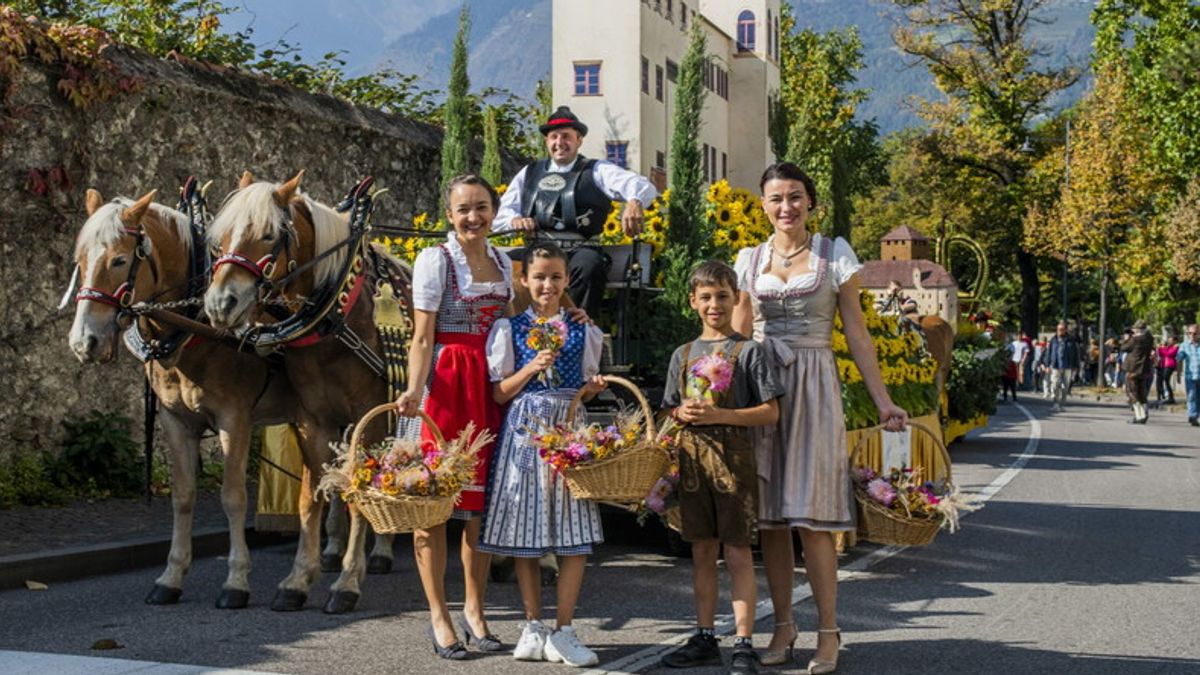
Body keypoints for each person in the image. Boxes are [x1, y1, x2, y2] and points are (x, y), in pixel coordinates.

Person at [732, 163, 909, 675]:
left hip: (814, 384)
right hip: (765, 386)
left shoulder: (834, 255)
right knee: (771, 518)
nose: (785, 207)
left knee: (811, 518)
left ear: (811, 202)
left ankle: (828, 630)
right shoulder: (750, 259)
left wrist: (883, 400)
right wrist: (715, 394)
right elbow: (740, 335)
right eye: (775, 199)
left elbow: (856, 332)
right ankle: (783, 626)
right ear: (763, 205)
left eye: (795, 197)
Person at [395, 175, 513, 660]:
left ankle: (475, 610)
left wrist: (573, 315)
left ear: (494, 210)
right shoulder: (436, 261)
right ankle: (439, 616)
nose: (473, 217)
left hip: (488, 386)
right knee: (433, 508)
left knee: (478, 511)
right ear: (449, 214)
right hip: (446, 384)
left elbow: (519, 318)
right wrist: (412, 390)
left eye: (481, 207)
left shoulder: (504, 260)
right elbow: (422, 337)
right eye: (463, 209)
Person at [478, 242, 608, 667]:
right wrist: (531, 368)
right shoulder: (509, 329)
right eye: (539, 277)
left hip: (569, 425)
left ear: (567, 279)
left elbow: (586, 382)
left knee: (573, 533)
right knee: (525, 532)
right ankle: (533, 624)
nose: (547, 285)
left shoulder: (584, 329)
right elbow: (498, 393)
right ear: (524, 280)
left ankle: (564, 629)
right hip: (526, 428)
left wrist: (593, 388)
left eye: (555, 277)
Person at [658, 261, 783, 675]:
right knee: (701, 551)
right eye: (706, 297)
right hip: (693, 463)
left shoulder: (749, 352)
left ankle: (744, 641)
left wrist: (719, 417)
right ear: (693, 301)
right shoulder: (683, 354)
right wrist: (682, 413)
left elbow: (769, 413)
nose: (715, 304)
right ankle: (705, 635)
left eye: (723, 296)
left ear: (736, 300)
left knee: (738, 551)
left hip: (734, 463)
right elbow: (668, 411)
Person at [494, 106, 659, 316]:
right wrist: (514, 221)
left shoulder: (597, 170)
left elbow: (643, 185)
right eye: (553, 137)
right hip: (537, 251)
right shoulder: (530, 172)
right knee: (501, 266)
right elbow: (501, 214)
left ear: (579, 140)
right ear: (546, 141)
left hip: (580, 251)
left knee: (589, 268)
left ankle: (578, 332)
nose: (559, 143)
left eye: (566, 136)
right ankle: (520, 330)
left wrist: (634, 201)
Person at [1040, 321, 1080, 412]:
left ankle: (1062, 404)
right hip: (1056, 365)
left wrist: (1076, 366)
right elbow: (1049, 353)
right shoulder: (1053, 340)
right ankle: (1055, 403)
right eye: (1058, 329)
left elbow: (1075, 354)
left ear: (1065, 330)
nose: (1059, 331)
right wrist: (1047, 365)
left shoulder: (1071, 340)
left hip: (1068, 366)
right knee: (1054, 384)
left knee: (1065, 386)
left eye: (1061, 329)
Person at [1121, 320, 1155, 424]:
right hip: (1144, 368)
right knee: (1141, 391)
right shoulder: (1149, 338)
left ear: (1137, 329)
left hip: (1133, 368)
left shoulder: (1135, 339)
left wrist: (1128, 338)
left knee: (1132, 392)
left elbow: (1123, 348)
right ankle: (1144, 412)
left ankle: (1139, 415)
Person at [1178, 324, 1200, 426]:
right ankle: (1192, 415)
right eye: (1189, 333)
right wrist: (1178, 374)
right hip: (1190, 376)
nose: (1192, 335)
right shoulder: (1184, 345)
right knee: (1191, 396)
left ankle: (1196, 415)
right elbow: (1179, 359)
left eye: (1194, 333)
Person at [1155, 334, 1179, 405]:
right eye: (1169, 340)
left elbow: (1169, 354)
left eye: (1171, 340)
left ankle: (1170, 396)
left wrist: (1161, 348)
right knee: (1162, 380)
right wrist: (1159, 348)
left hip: (1170, 365)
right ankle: (1163, 395)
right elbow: (1161, 354)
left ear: (1175, 341)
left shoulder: (1176, 347)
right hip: (1164, 365)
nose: (1169, 342)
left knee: (1166, 378)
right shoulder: (1168, 347)